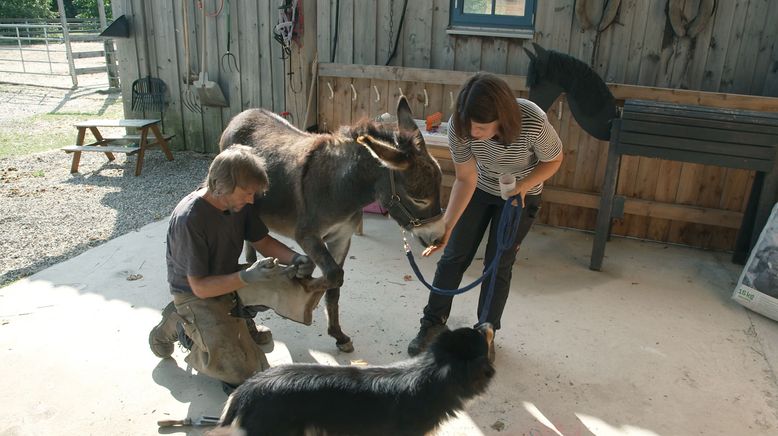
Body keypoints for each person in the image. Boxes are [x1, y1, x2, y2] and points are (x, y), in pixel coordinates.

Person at [407, 72, 563, 361]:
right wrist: (448, 225)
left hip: (521, 194)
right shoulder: (460, 127)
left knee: (498, 262)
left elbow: (554, 159)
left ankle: (485, 332)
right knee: (453, 255)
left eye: (480, 128)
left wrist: (523, 186)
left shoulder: (532, 121)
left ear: (501, 118)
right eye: (469, 126)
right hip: (479, 187)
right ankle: (432, 323)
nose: (472, 133)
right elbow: (465, 178)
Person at [148, 144, 315, 390]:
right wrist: (247, 276)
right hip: (194, 294)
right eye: (247, 193)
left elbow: (262, 241)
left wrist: (295, 258)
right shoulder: (190, 218)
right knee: (244, 375)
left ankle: (239, 316)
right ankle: (181, 324)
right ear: (222, 185)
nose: (251, 199)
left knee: (288, 279)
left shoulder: (237, 205)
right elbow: (201, 288)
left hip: (228, 278)